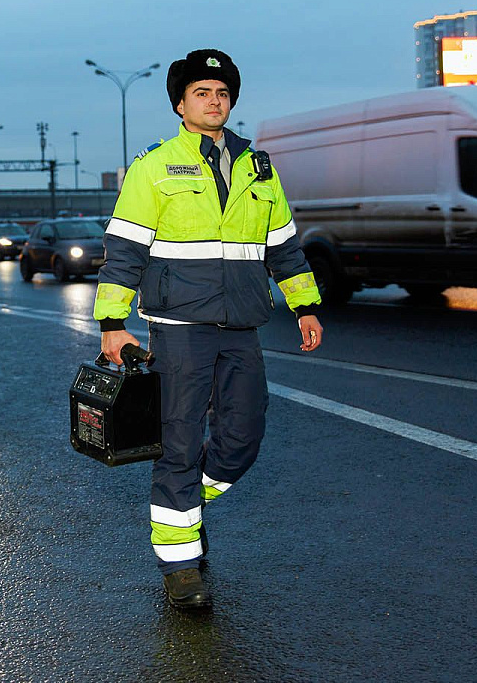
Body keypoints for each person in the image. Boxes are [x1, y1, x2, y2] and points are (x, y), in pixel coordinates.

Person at [94, 49, 323, 609]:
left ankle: (187, 506)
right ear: (180, 103)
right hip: (179, 328)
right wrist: (111, 322)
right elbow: (123, 251)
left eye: (221, 93)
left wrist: (305, 306)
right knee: (177, 442)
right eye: (201, 92)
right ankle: (180, 568)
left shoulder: (259, 167)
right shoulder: (154, 167)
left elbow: (283, 248)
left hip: (242, 327)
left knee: (242, 438)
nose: (213, 101)